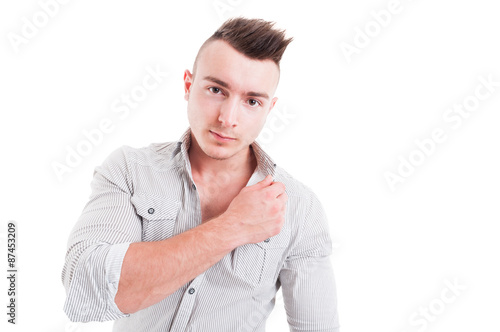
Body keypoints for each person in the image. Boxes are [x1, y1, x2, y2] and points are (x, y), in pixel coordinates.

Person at [62, 17, 340, 332]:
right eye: (216, 90)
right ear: (188, 85)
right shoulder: (129, 170)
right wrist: (232, 228)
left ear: (268, 109)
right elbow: (84, 289)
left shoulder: (300, 208)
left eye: (251, 101)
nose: (228, 118)